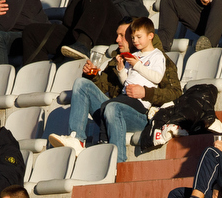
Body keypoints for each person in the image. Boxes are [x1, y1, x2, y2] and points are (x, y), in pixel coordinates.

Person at [49, 17, 177, 162]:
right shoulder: (118, 59)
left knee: (112, 107)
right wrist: (91, 75)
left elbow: (175, 93)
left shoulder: (159, 58)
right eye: (118, 35)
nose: (117, 39)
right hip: (114, 108)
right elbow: (101, 88)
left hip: (140, 114)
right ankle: (77, 139)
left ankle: (118, 162)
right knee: (81, 84)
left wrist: (146, 93)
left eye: (123, 36)